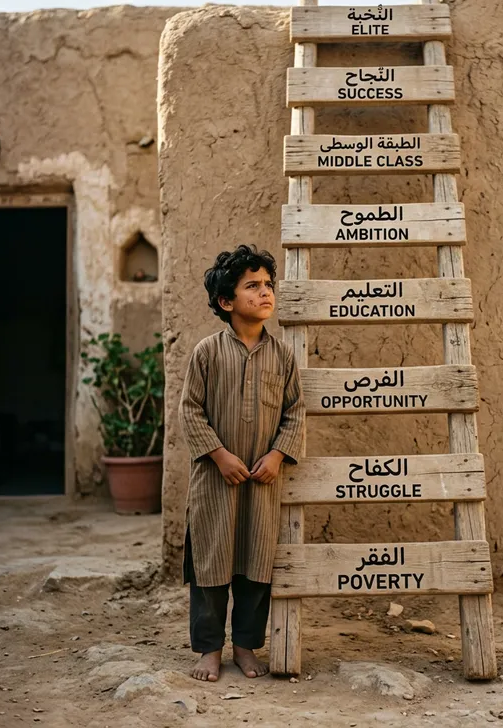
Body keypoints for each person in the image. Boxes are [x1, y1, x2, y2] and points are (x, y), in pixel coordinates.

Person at [179, 245, 305, 681]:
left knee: (256, 565)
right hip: (216, 481)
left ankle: (245, 646)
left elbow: (295, 411)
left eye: (268, 285)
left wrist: (277, 455)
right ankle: (208, 650)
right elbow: (190, 411)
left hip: (262, 482)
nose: (265, 292)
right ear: (226, 301)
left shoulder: (283, 356)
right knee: (211, 566)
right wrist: (219, 455)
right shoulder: (206, 353)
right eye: (252, 286)